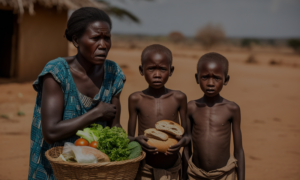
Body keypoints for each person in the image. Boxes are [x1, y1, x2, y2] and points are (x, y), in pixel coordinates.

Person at [28, 7, 126, 180]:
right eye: (95, 38)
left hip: (95, 169)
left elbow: (114, 126)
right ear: (76, 40)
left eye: (107, 38)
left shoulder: (113, 73)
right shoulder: (57, 72)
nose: (103, 45)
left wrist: (129, 142)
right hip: (55, 169)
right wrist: (97, 113)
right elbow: (50, 132)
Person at [127, 44, 190, 180]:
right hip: (144, 169)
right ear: (141, 70)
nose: (157, 74)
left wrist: (181, 143)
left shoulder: (178, 98)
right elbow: (130, 137)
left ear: (171, 70)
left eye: (162, 69)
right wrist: (138, 140)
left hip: (172, 169)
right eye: (151, 69)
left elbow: (188, 136)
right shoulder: (136, 99)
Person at [184, 52, 245, 180]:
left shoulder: (232, 109)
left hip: (224, 174)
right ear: (197, 78)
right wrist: (183, 176)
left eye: (217, 78)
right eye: (205, 77)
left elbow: (238, 150)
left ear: (226, 80)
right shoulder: (191, 107)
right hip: (196, 174)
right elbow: (186, 147)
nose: (211, 83)